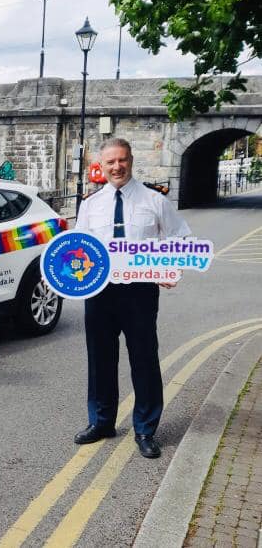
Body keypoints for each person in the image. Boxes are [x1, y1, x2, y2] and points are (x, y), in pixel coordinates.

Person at [74, 138, 191, 458]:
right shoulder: (90, 205)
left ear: (131, 160)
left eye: (122, 160)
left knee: (144, 359)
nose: (117, 167)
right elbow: (78, 246)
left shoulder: (155, 200)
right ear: (101, 165)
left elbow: (181, 238)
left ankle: (145, 429)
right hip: (99, 291)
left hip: (139, 291)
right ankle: (101, 422)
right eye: (110, 162)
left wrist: (170, 269)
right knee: (100, 358)